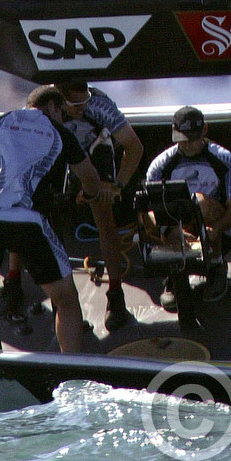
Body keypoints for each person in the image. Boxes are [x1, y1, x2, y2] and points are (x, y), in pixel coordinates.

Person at [0, 87, 108, 353]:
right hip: (32, 223)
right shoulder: (60, 132)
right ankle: (71, 370)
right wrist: (90, 195)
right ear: (53, 108)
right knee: (66, 301)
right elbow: (91, 177)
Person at [54, 76, 145, 332]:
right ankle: (56, 301)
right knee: (44, 218)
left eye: (85, 103)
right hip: (60, 152)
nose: (81, 109)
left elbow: (134, 147)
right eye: (75, 105)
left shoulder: (100, 106)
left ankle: (115, 295)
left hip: (94, 151)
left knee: (105, 218)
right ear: (59, 98)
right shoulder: (47, 108)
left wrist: (115, 186)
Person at [142, 107, 231, 302]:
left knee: (200, 202)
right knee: (151, 216)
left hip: (213, 226)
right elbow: (149, 211)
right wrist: (169, 231)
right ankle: (175, 273)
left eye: (193, 138)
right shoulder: (160, 165)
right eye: (182, 138)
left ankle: (215, 266)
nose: (188, 144)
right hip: (176, 222)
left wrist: (217, 228)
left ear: (204, 130)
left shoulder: (224, 158)